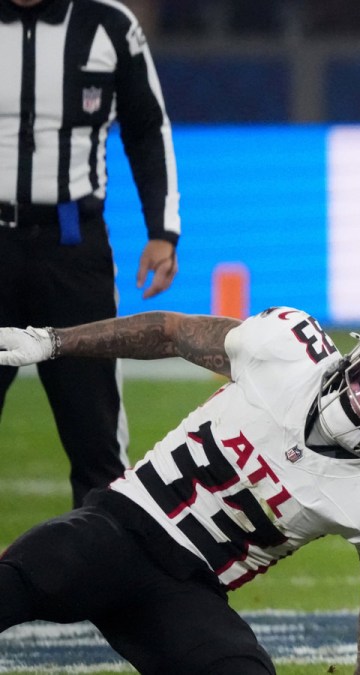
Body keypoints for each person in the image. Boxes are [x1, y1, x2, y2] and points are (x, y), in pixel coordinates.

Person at [0, 306, 360, 674]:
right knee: (18, 580)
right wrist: (53, 342)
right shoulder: (285, 349)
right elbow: (170, 331)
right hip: (116, 527)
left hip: (187, 592)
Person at [0, 0, 181, 508]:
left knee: (94, 432)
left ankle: (101, 575)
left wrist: (163, 231)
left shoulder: (108, 24)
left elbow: (148, 128)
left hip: (72, 248)